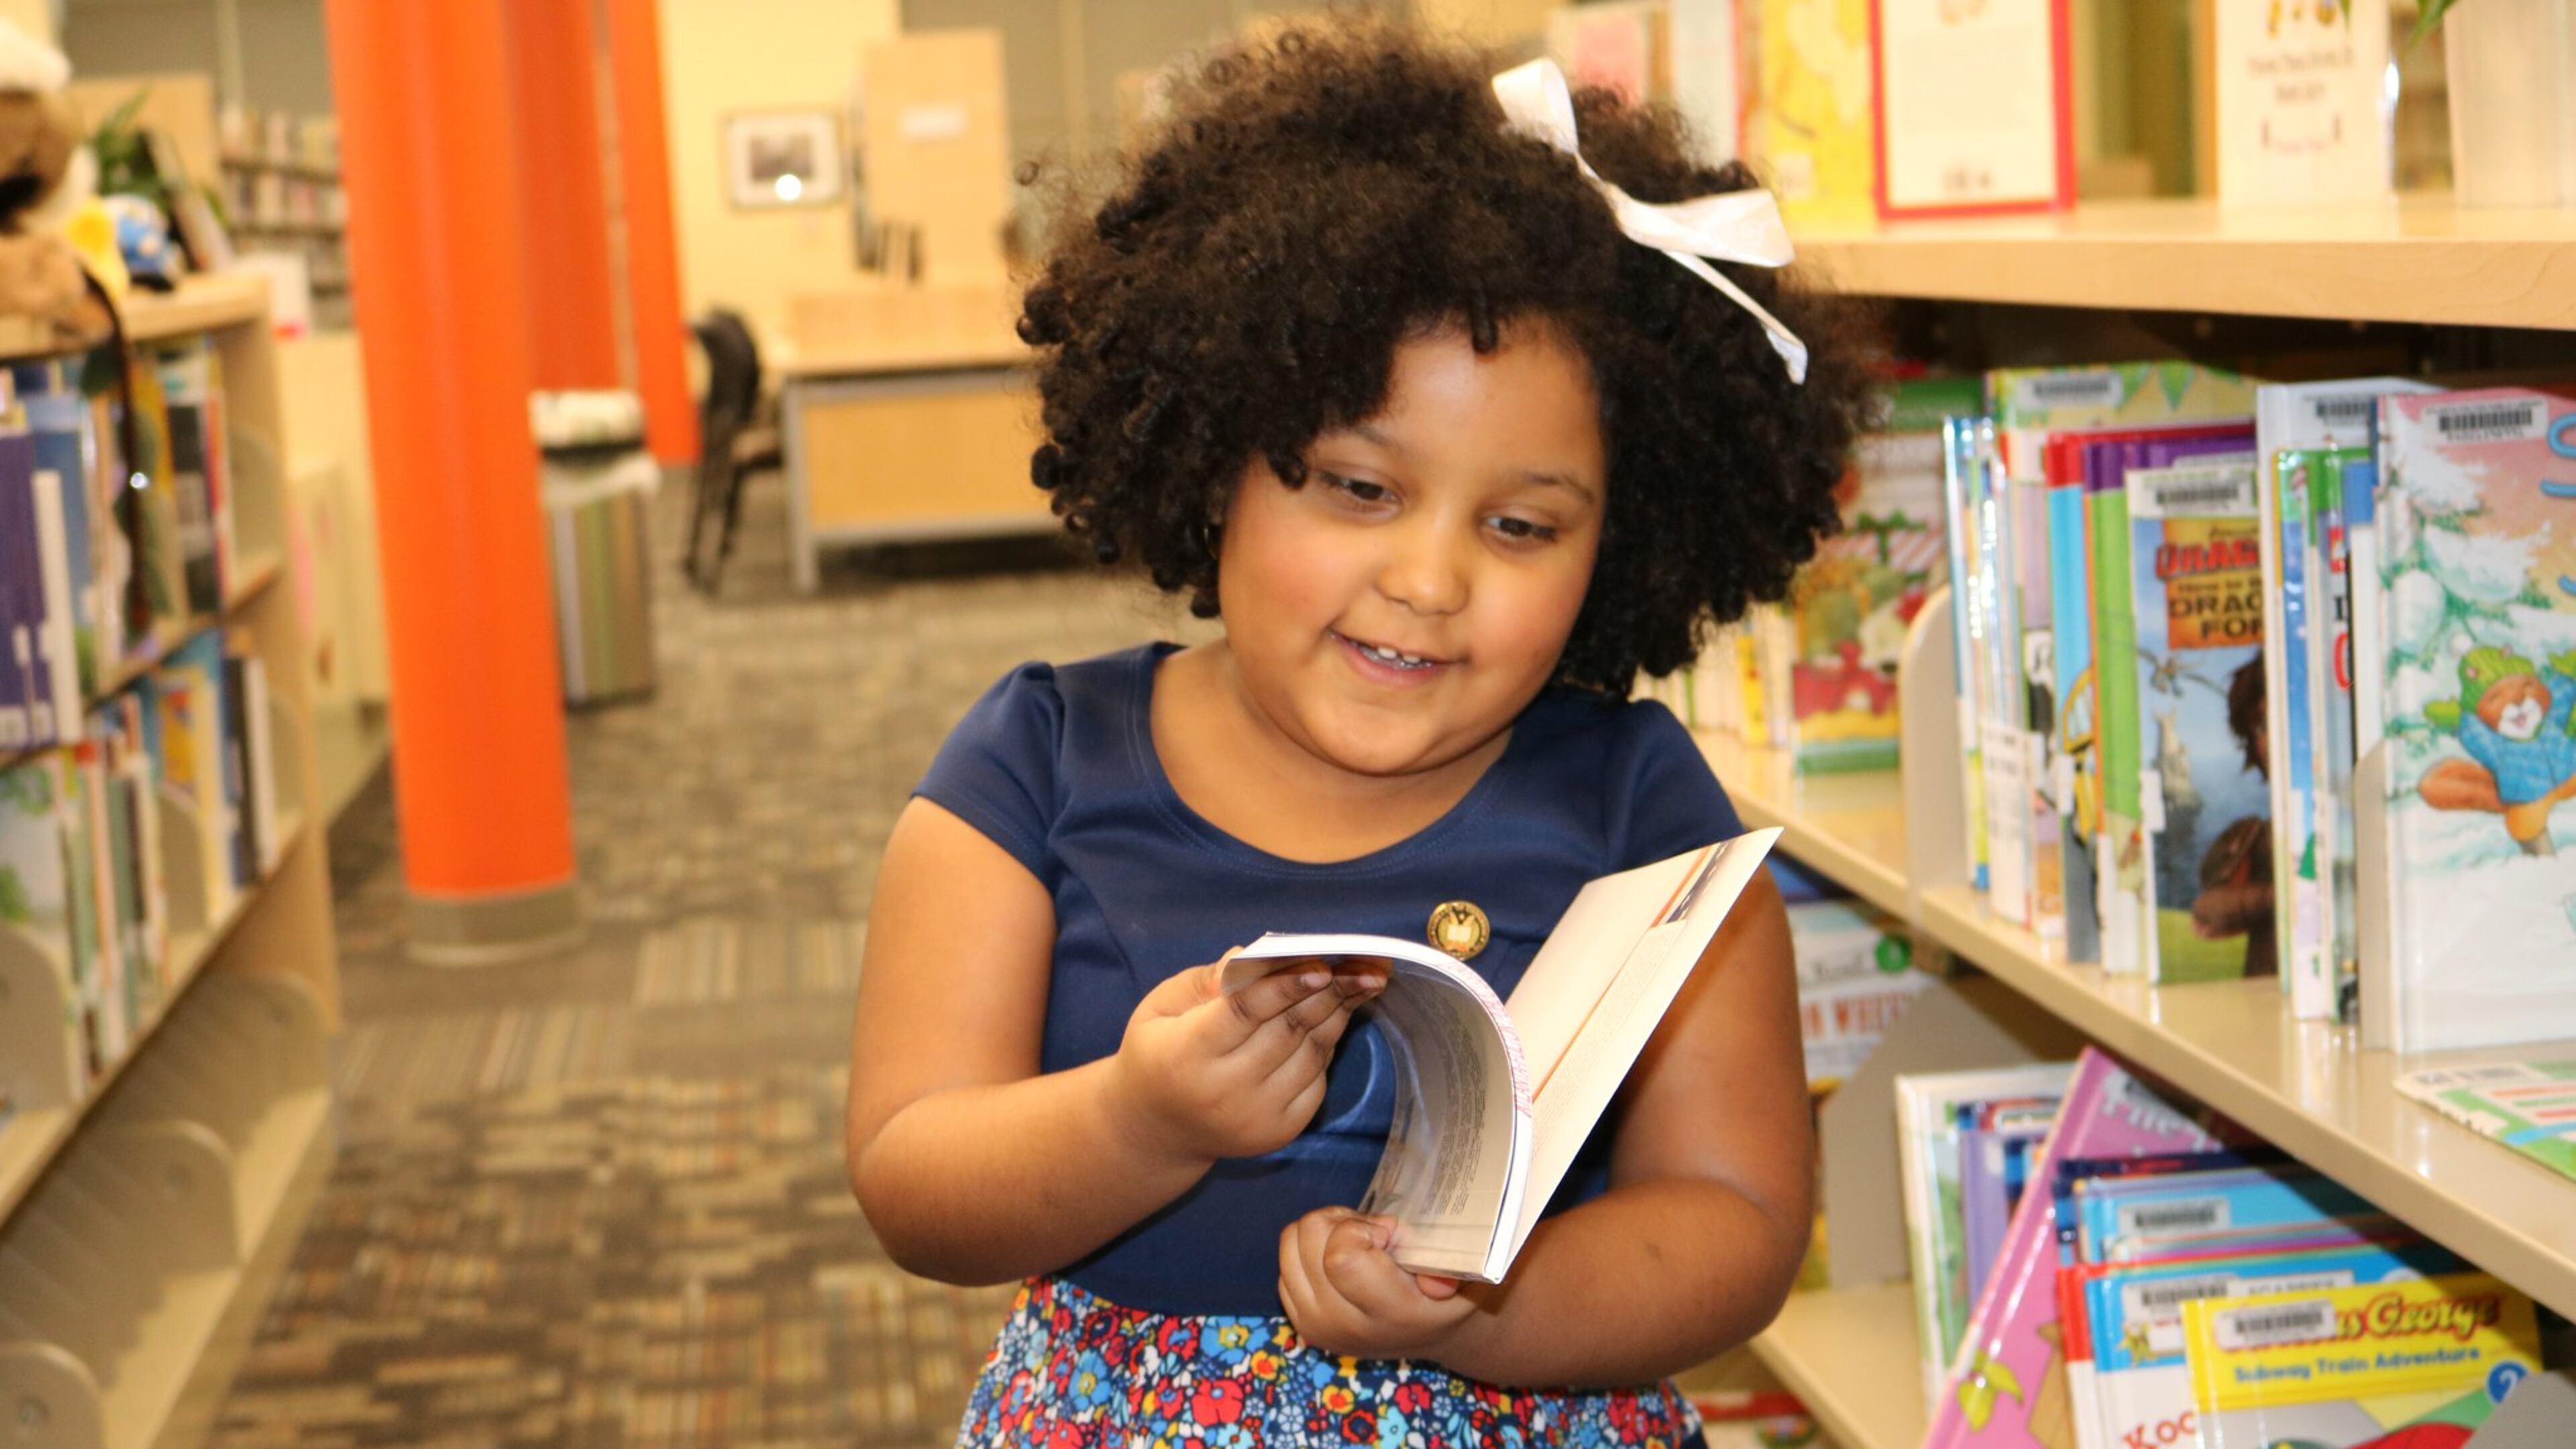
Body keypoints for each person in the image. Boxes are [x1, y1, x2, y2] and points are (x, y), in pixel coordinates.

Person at [844, 20, 1877, 1448]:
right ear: (1217, 459)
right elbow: (911, 1176)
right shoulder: (1035, 768)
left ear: (1620, 544)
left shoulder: (1641, 811)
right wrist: (1140, 1122)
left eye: (1521, 526)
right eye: (1358, 488)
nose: (1432, 581)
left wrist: (1494, 1310)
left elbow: (1741, 1221)